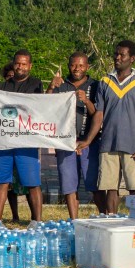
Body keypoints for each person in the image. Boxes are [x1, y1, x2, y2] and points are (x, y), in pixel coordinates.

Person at [79, 40, 135, 214]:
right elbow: (99, 114)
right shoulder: (105, 82)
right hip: (108, 144)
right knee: (110, 188)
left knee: (134, 187)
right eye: (116, 54)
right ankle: (111, 222)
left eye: (122, 55)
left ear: (132, 58)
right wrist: (88, 140)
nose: (117, 58)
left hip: (133, 145)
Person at [0, 50, 44, 224]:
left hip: (27, 142)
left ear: (30, 66)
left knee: (32, 182)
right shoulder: (1, 87)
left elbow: (42, 106)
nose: (20, 67)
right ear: (13, 64)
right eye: (17, 63)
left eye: (24, 64)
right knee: (1, 182)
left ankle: (37, 222)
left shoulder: (36, 84)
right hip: (4, 141)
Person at [49, 52, 100, 219]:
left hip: (89, 142)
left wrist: (86, 100)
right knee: (69, 184)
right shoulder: (61, 85)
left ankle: (104, 217)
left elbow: (97, 114)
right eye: (73, 65)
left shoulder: (96, 85)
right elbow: (44, 108)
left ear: (87, 67)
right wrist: (51, 87)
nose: (77, 68)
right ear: (68, 65)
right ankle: (74, 221)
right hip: (65, 142)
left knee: (93, 183)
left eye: (81, 65)